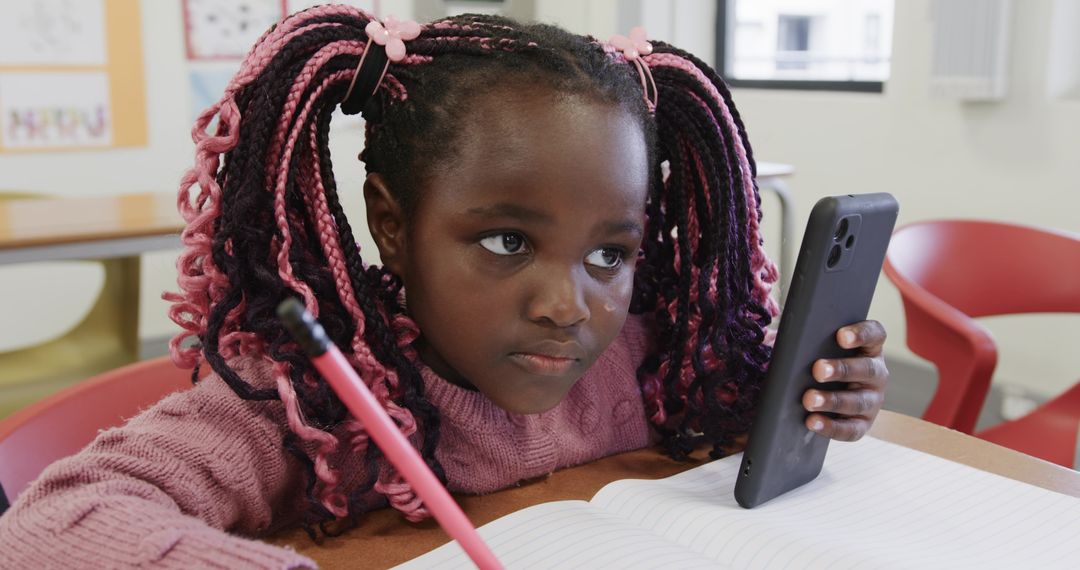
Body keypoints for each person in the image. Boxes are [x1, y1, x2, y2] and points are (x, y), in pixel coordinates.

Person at [0, 6, 889, 568]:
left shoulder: (646, 362)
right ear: (392, 222)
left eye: (610, 255)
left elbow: (732, 404)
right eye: (506, 241)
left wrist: (813, 392)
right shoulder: (303, 406)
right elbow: (54, 523)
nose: (567, 305)